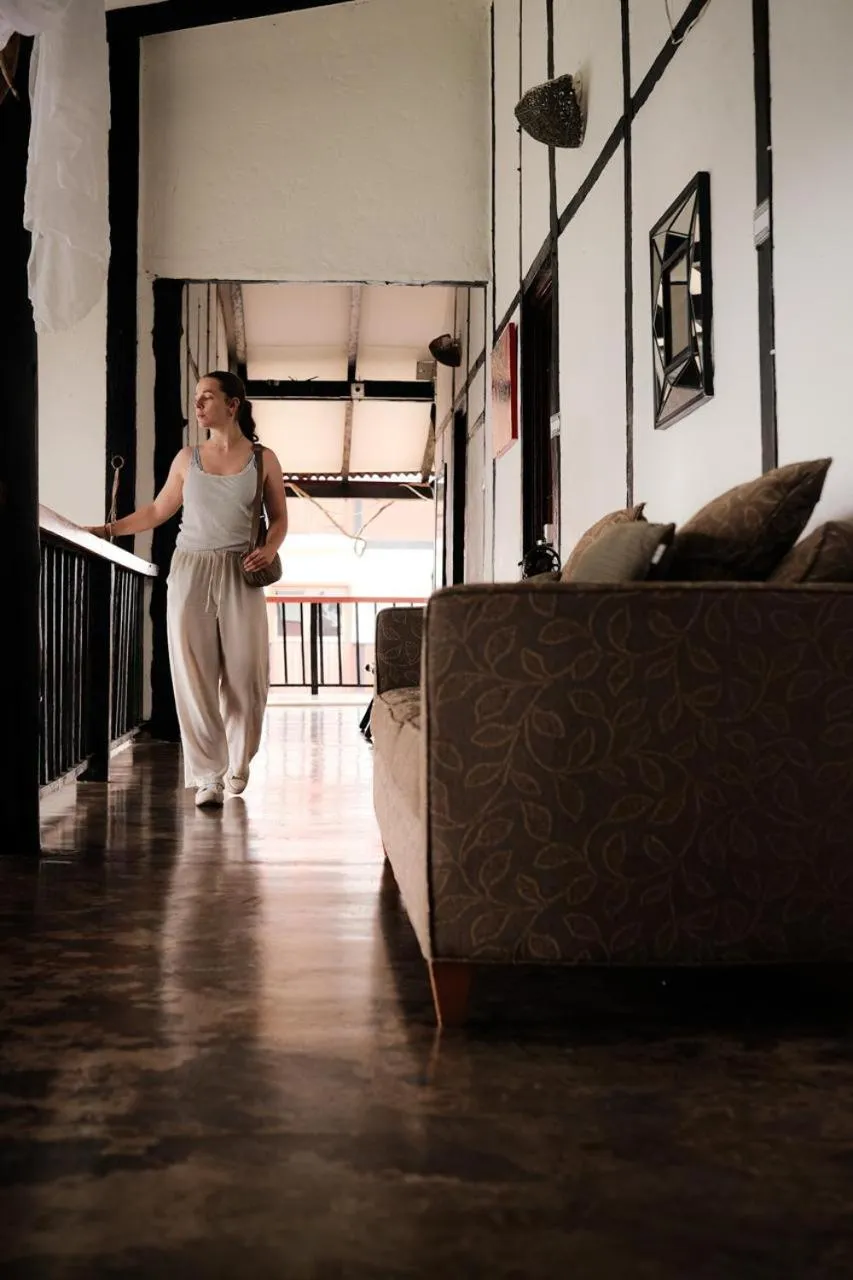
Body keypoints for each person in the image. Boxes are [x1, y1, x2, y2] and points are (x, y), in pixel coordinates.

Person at [85, 371, 288, 808]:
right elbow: (158, 510)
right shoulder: (187, 458)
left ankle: (240, 759)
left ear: (233, 405)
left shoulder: (263, 458)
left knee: (247, 675)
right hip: (191, 569)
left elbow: (280, 519)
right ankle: (208, 776)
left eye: (207, 397)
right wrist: (106, 530)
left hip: (240, 570)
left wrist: (269, 550)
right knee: (193, 675)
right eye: (196, 398)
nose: (198, 405)